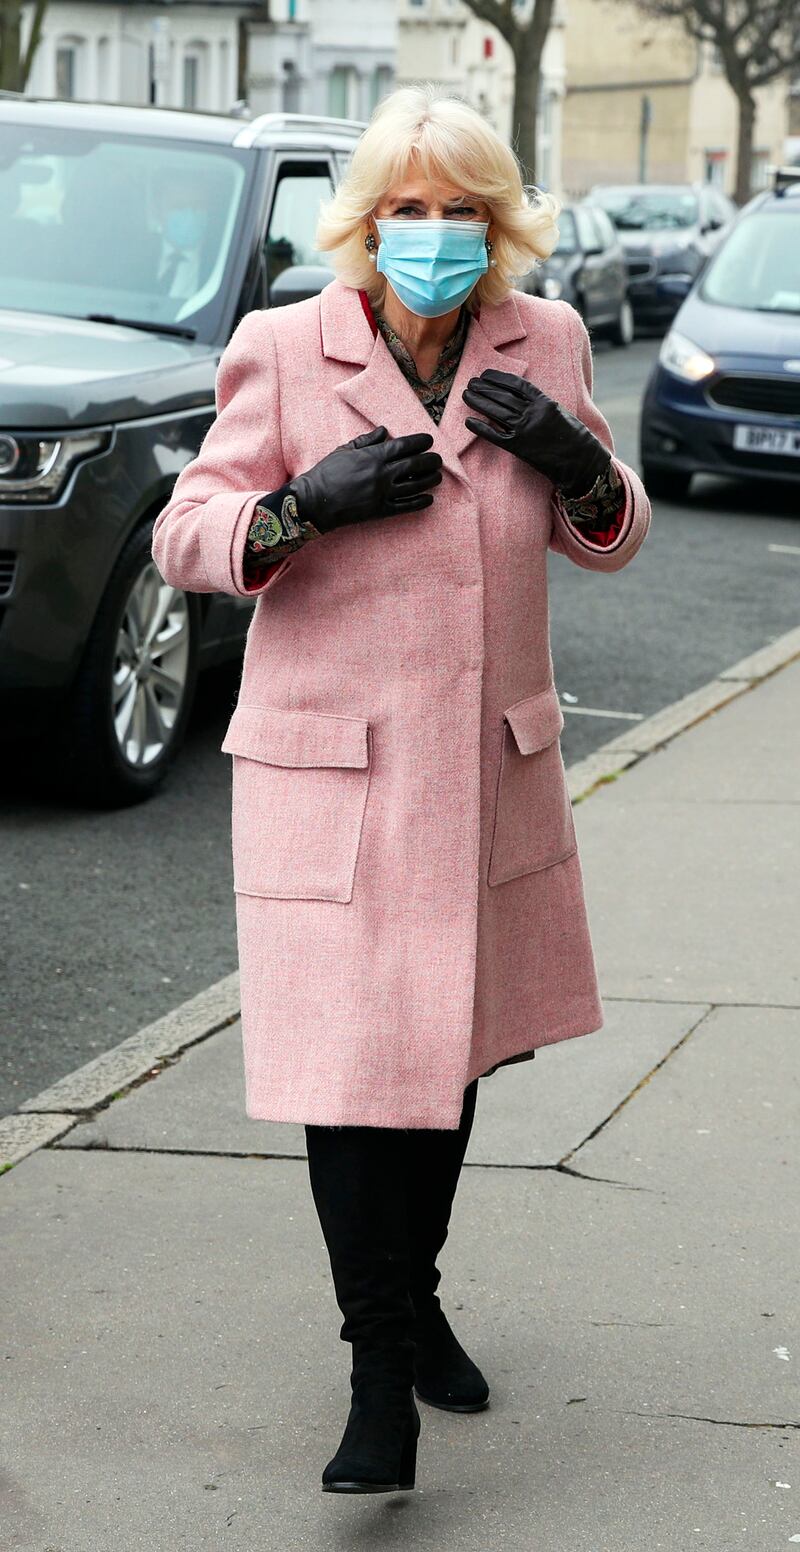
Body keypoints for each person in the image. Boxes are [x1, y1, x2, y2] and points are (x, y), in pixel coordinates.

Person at [151, 85, 651, 1497]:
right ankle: (381, 1373)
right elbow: (186, 534)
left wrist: (575, 462)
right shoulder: (280, 345)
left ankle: (416, 1296)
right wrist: (306, 507)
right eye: (405, 210)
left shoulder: (543, 337)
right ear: (364, 223)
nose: (431, 235)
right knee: (351, 1074)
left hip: (486, 773)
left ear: (500, 225)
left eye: (460, 211)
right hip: (333, 777)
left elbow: (610, 536)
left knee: (450, 1054)